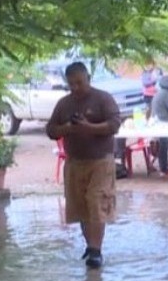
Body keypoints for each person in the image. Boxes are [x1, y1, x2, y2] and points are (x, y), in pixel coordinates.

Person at [46, 62, 121, 270]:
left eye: (79, 82)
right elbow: (51, 130)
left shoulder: (103, 98)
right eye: (71, 84)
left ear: (88, 78)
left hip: (100, 160)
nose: (76, 87)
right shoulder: (64, 104)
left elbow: (114, 124)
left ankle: (96, 251)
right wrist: (67, 128)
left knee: (97, 201)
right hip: (75, 161)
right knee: (81, 206)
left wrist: (90, 127)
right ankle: (91, 246)